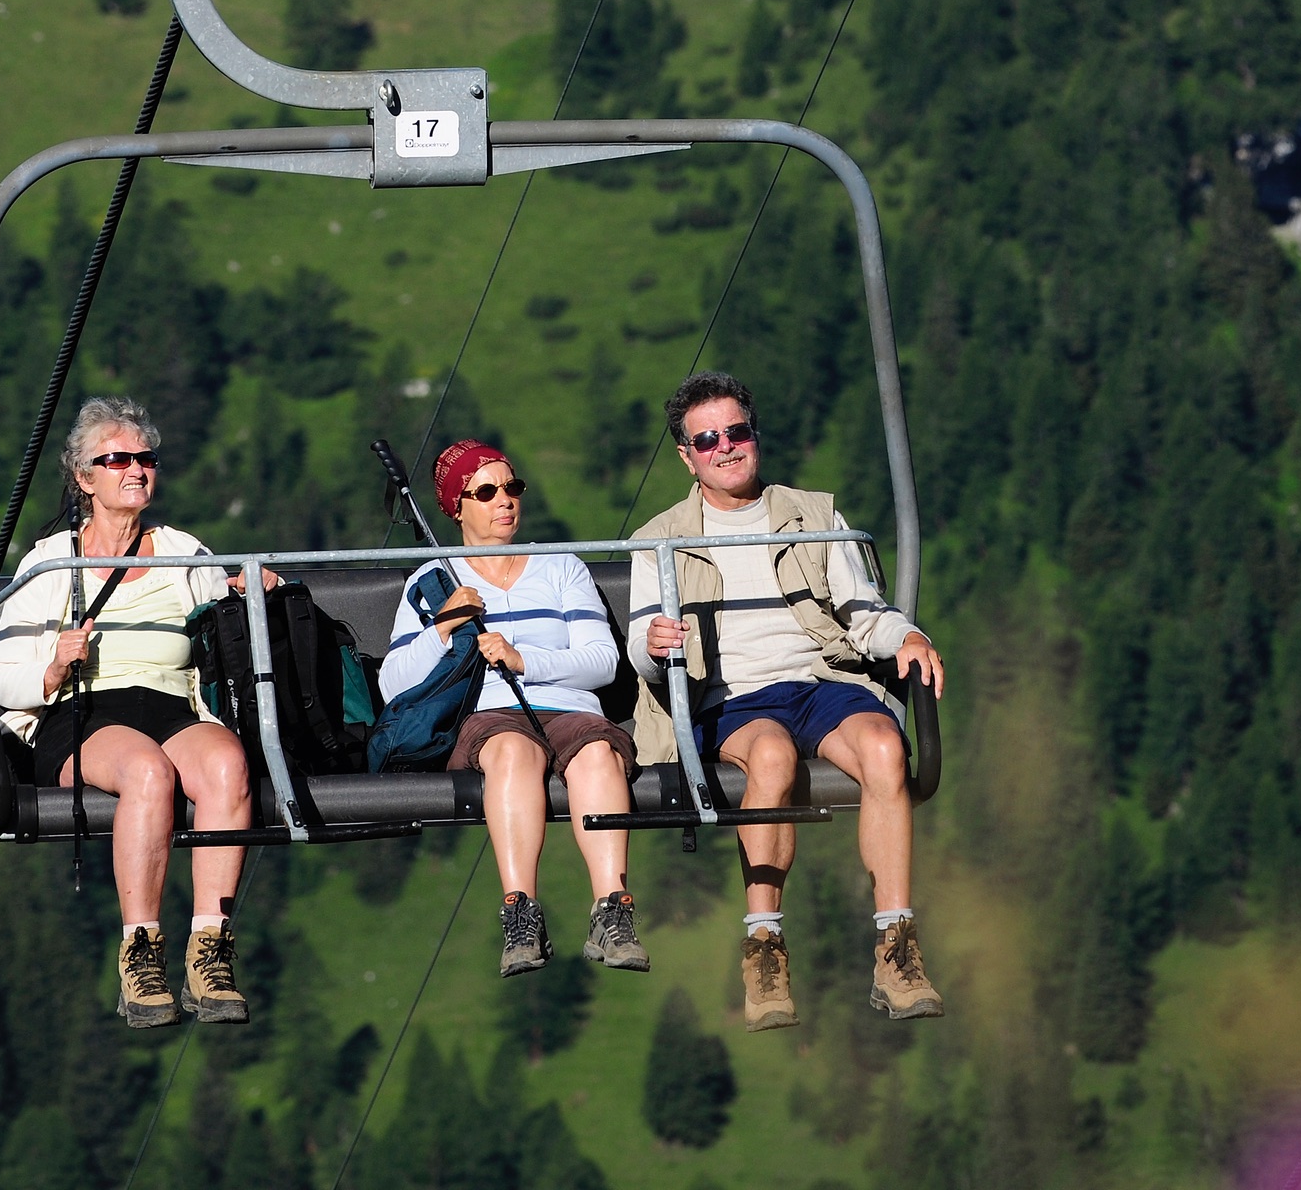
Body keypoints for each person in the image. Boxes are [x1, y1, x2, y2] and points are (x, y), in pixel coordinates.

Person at [627, 372, 946, 1030]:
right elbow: (639, 645)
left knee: (886, 747)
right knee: (770, 756)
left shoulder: (814, 516)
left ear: (754, 436)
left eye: (736, 432)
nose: (726, 447)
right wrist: (657, 645)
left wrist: (908, 635)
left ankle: (896, 943)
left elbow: (862, 612)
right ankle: (764, 945)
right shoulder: (660, 538)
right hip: (731, 697)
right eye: (707, 438)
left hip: (820, 681)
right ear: (687, 455)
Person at [0, 395, 263, 1029]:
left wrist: (253, 590)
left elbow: (226, 622)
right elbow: (3, 679)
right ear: (85, 479)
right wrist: (53, 668)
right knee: (146, 772)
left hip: (169, 703)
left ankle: (210, 945)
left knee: (225, 763)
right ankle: (141, 951)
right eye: (117, 460)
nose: (135, 470)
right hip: (80, 715)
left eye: (145, 459)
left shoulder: (182, 552)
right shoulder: (52, 565)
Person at [380, 440, 648, 978]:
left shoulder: (560, 568)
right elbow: (394, 683)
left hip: (569, 708)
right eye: (486, 491)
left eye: (512, 487)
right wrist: (444, 627)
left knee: (597, 752)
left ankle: (611, 907)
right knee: (510, 751)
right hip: (492, 713)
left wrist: (525, 660)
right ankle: (520, 910)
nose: (505, 500)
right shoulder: (432, 582)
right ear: (457, 506)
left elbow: (601, 661)